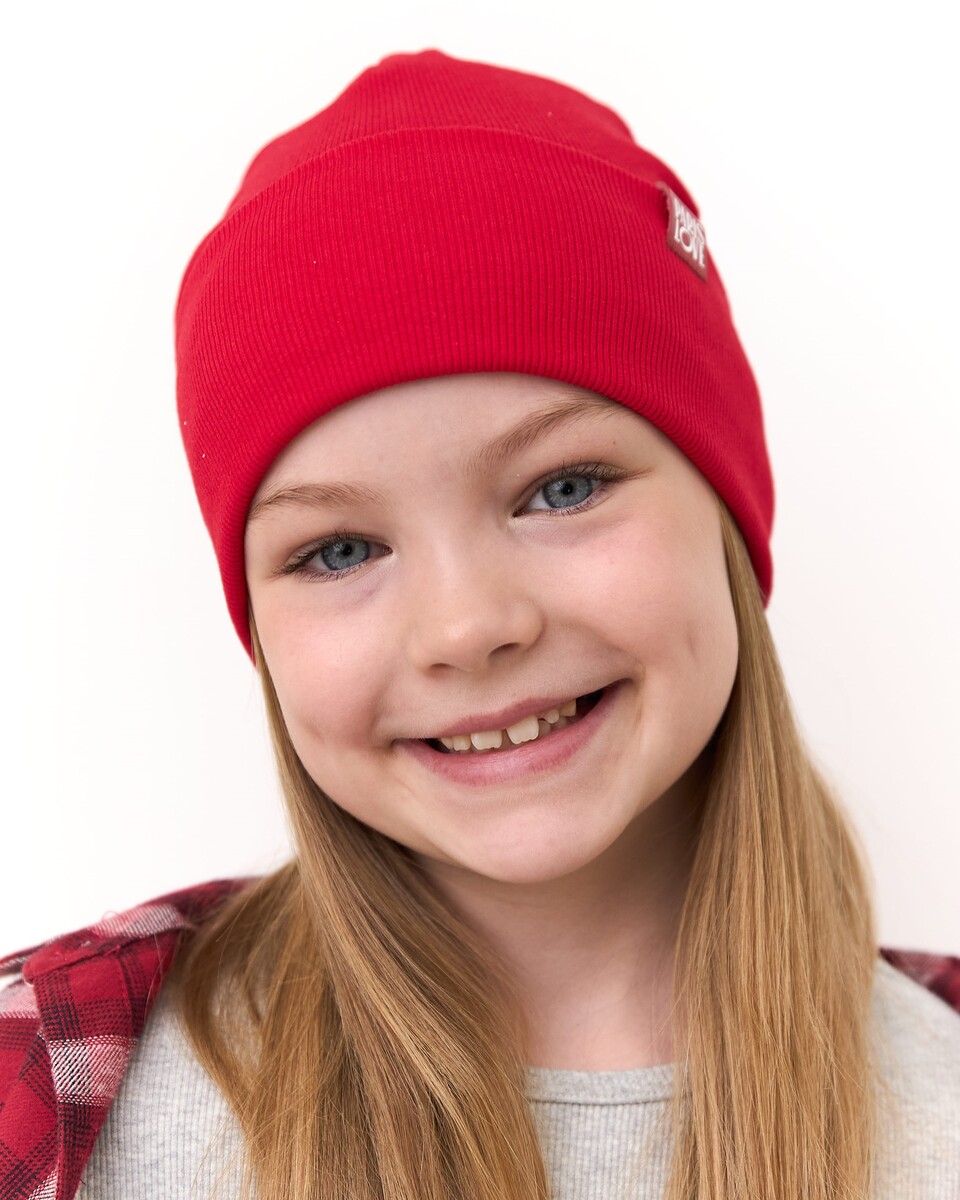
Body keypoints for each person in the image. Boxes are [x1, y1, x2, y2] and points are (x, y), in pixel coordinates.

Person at [1, 48, 958, 1200]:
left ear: (728, 511)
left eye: (562, 489)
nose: (466, 627)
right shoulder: (53, 1094)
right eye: (339, 550)